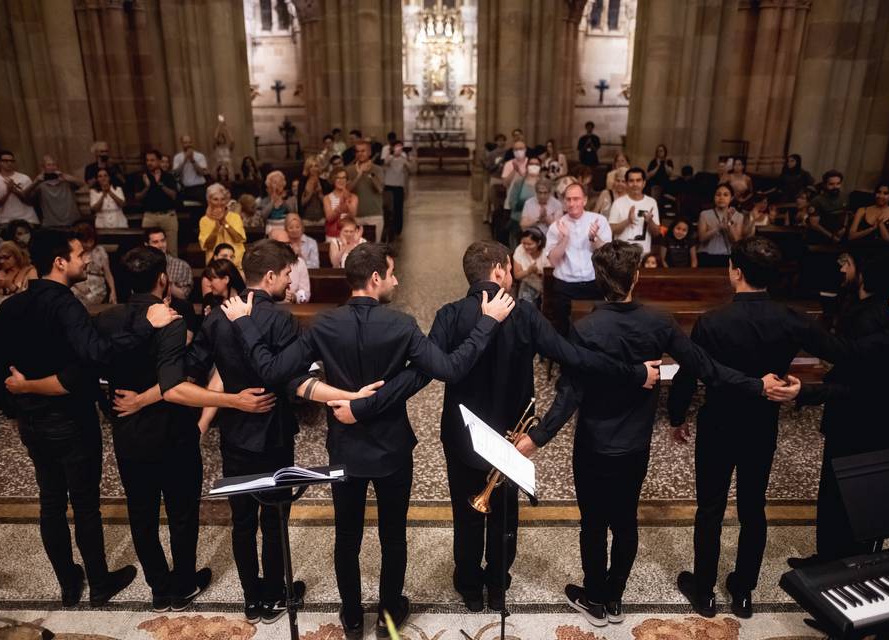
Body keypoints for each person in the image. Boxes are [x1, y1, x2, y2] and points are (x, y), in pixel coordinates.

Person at [337, 241, 660, 614]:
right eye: (508, 268)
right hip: (513, 439)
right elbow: (576, 358)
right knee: (505, 513)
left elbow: (421, 375)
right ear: (500, 270)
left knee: (466, 512)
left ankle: (470, 585)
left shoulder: (449, 315)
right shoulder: (524, 314)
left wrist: (366, 405)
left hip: (462, 438)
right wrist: (634, 373)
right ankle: (497, 585)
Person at [222, 242, 517, 638]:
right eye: (392, 273)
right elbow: (451, 367)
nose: (396, 280)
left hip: (345, 447)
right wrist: (488, 322)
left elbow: (271, 369)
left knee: (347, 536)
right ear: (376, 278)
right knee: (393, 536)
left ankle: (351, 616)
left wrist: (244, 322)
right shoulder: (401, 325)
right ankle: (389, 614)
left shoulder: (324, 325)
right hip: (393, 449)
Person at [517, 240, 793, 627]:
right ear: (637, 276)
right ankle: (615, 598)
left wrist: (536, 438)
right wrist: (756, 386)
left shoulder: (586, 329)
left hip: (594, 444)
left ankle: (595, 597)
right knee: (626, 521)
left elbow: (568, 396)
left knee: (593, 524)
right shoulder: (659, 322)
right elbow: (706, 369)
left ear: (599, 279)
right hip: (634, 445)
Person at [668, 236, 889, 619]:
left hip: (718, 423)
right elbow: (846, 352)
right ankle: (744, 592)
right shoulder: (792, 319)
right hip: (762, 422)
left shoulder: (712, 321)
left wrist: (677, 416)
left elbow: (689, 375)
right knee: (754, 508)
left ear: (735, 271)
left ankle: (703, 593)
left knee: (710, 509)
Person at [187, 239, 384, 624]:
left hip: (235, 433)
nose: (291, 282)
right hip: (273, 432)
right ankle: (277, 593)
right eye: (289, 274)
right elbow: (294, 380)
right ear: (272, 276)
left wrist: (229, 399)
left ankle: (251, 598)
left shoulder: (216, 318)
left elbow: (191, 370)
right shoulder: (280, 319)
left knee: (241, 521)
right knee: (274, 519)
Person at [0, 228, 180, 607]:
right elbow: (97, 355)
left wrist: (17, 407)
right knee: (83, 504)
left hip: (31, 422)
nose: (86, 260)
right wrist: (148, 324)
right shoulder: (66, 305)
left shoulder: (11, 306)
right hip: (68, 419)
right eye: (79, 255)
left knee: (49, 501)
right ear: (59, 261)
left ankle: (67, 582)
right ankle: (98, 582)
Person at [96, 246, 268, 612]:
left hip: (129, 433)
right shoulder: (173, 320)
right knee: (181, 512)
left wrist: (118, 407)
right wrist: (232, 400)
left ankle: (159, 588)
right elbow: (174, 382)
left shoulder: (106, 319)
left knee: (140, 515)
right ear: (162, 279)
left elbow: (94, 369)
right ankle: (184, 583)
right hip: (173, 433)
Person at [790, 255, 889, 566]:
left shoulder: (873, 316)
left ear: (865, 271)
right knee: (864, 492)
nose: (841, 268)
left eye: (848, 263)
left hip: (857, 417)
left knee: (842, 492)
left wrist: (808, 392)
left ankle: (837, 563)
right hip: (883, 417)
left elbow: (854, 365)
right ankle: (845, 560)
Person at [545, 182, 612, 335]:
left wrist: (594, 239)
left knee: (597, 327)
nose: (572, 203)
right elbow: (553, 261)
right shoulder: (557, 225)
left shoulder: (599, 221)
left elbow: (607, 256)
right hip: (565, 285)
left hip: (593, 283)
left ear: (585, 200)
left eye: (576, 199)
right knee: (562, 328)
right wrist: (565, 238)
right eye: (568, 199)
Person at [608, 167, 661, 256]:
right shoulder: (618, 203)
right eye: (631, 181)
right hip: (622, 254)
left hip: (644, 254)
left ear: (644, 183)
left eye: (638, 180)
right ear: (627, 183)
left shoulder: (651, 202)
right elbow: (612, 230)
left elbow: (656, 233)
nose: (635, 184)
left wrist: (650, 221)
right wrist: (627, 221)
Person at [137, 150, 180, 257]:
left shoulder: (168, 176)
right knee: (148, 252)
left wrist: (160, 183)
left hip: (167, 216)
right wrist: (147, 186)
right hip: (150, 216)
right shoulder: (143, 177)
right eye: (147, 160)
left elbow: (173, 195)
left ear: (159, 161)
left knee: (171, 251)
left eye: (152, 160)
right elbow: (137, 197)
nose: (149, 163)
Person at [23, 156, 84, 229]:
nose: (52, 167)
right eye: (49, 165)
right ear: (43, 168)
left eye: (54, 165)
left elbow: (82, 184)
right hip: (52, 225)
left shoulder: (66, 180)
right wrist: (35, 182)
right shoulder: (40, 184)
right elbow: (25, 195)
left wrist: (66, 177)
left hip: (72, 222)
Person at [696, 183, 745, 268]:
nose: (721, 198)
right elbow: (701, 238)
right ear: (714, 197)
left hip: (728, 256)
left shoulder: (739, 216)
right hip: (707, 255)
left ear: (731, 198)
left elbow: (737, 241)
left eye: (725, 195)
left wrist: (730, 222)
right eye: (718, 195)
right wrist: (718, 228)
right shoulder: (704, 214)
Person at [0, 150, 39, 229]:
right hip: (6, 221)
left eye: (12, 161)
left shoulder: (24, 178)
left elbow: (31, 201)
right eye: (5, 161)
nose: (9, 163)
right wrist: (8, 192)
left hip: (28, 219)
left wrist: (15, 191)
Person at [199, 183, 246, 268]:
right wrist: (216, 228)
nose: (219, 203)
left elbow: (238, 238)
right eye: (215, 199)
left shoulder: (235, 217)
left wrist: (224, 223)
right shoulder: (204, 220)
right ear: (209, 201)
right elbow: (208, 246)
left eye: (222, 199)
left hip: (236, 264)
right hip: (215, 266)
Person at [70, 222, 116, 307]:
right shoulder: (73, 252)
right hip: (77, 287)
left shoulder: (99, 251)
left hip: (97, 289)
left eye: (91, 240)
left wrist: (113, 291)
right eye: (85, 241)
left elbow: (108, 273)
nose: (89, 244)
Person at [346, 140, 385, 235]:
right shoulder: (349, 170)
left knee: (374, 248)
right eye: (358, 151)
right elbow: (347, 190)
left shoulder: (378, 169)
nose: (360, 154)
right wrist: (360, 173)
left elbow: (380, 189)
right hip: (355, 216)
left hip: (374, 215)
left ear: (369, 152)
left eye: (363, 151)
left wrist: (370, 174)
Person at [0, 240, 36, 310]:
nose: (1, 261)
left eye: (6, 257)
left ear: (16, 256)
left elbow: (33, 298)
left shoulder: (30, 272)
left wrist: (10, 286)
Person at [145, 227, 193, 301]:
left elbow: (184, 295)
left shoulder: (182, 266)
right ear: (146, 245)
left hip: (174, 307)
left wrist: (166, 282)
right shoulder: (142, 266)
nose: (160, 245)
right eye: (155, 242)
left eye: (163, 241)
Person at [505, 157, 543, 248]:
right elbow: (512, 203)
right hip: (518, 224)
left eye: (536, 164)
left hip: (538, 226)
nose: (534, 166)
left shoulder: (544, 184)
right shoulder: (519, 183)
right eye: (531, 164)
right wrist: (526, 205)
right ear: (527, 166)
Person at [807, 169, 850, 244]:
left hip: (839, 235)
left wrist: (844, 227)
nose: (835, 187)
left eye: (838, 183)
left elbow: (846, 213)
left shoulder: (845, 197)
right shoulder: (816, 201)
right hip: (820, 238)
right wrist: (831, 236)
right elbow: (814, 224)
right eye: (831, 184)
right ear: (825, 184)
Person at [383, 141, 413, 241]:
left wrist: (404, 160)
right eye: (397, 147)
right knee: (389, 209)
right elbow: (385, 163)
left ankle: (398, 229)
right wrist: (392, 156)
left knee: (398, 208)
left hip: (399, 186)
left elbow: (410, 169)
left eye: (400, 147)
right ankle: (388, 229)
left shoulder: (403, 157)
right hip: (389, 185)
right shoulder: (389, 156)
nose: (398, 149)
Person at [512, 227, 549, 305]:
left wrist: (538, 273)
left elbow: (551, 275)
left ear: (538, 243)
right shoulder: (520, 249)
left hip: (545, 285)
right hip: (528, 283)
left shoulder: (547, 251)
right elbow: (517, 275)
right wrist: (529, 271)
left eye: (530, 244)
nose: (526, 246)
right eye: (524, 243)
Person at [173, 135, 210, 203]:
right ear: (181, 144)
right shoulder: (177, 157)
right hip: (185, 189)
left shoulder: (200, 156)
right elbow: (176, 174)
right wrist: (184, 160)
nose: (188, 145)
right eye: (185, 143)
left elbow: (202, 173)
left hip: (199, 188)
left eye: (189, 142)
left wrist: (192, 160)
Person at [323, 168, 358, 240]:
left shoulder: (353, 197)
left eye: (343, 178)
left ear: (347, 180)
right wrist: (340, 207)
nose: (341, 180)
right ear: (333, 180)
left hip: (349, 235)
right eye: (338, 178)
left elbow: (353, 216)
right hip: (333, 235)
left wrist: (347, 200)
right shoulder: (327, 198)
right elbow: (329, 218)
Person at [258, 170, 296, 236]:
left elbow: (293, 213)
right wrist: (273, 201)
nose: (278, 185)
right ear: (269, 186)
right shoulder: (265, 201)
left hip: (287, 231)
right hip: (270, 232)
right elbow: (263, 216)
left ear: (283, 184)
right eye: (275, 182)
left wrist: (282, 199)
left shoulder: (289, 199)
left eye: (280, 182)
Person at [300, 156, 331, 224]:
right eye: (311, 166)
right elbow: (301, 203)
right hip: (306, 219)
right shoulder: (303, 183)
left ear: (318, 168)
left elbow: (328, 204)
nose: (314, 168)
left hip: (322, 219)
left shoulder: (324, 183)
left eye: (316, 166)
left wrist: (319, 194)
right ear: (308, 168)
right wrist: (310, 193)